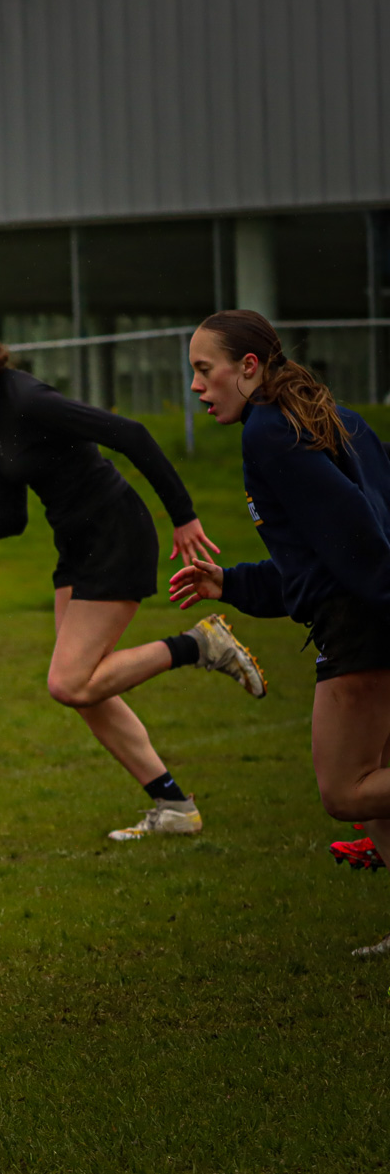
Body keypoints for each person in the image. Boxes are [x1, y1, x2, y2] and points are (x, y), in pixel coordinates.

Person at [0, 308, 267, 842]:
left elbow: (132, 434)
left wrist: (184, 516)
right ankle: (172, 805)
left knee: (70, 683)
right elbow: (12, 518)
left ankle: (200, 645)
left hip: (115, 537)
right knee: (86, 691)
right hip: (76, 550)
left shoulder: (27, 399)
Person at [169, 310, 390, 957]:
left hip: (363, 625)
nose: (196, 386)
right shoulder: (333, 417)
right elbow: (317, 559)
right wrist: (230, 584)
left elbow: (358, 538)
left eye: (204, 370)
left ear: (249, 367)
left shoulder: (268, 433)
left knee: (345, 790)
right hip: (367, 611)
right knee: (378, 783)